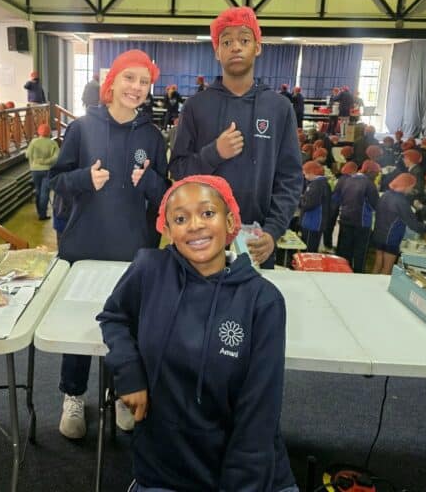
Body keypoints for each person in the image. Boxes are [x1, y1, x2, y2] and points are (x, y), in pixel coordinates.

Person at [98, 175, 294, 492]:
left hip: (240, 471)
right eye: (180, 218)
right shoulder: (149, 269)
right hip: (164, 468)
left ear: (230, 220)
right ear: (168, 229)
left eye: (207, 213)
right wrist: (129, 371)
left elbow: (259, 415)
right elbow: (114, 316)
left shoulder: (263, 301)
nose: (194, 226)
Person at [49, 49, 169, 439]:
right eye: (129, 78)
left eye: (144, 82)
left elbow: (166, 195)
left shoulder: (152, 136)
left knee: (129, 328)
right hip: (84, 244)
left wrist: (148, 182)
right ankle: (73, 394)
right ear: (112, 83)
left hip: (132, 248)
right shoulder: (82, 128)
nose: (136, 88)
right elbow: (57, 181)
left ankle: (122, 393)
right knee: (79, 326)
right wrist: (85, 178)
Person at [169, 6, 303, 269]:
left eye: (244, 39)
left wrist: (273, 231)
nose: (236, 47)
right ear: (217, 51)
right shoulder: (196, 106)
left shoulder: (279, 108)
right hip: (200, 242)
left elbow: (290, 178)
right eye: (227, 42)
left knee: (251, 310)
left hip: (256, 245)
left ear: (258, 47)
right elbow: (178, 170)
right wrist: (214, 153)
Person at [371, 173, 426, 275]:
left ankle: (371, 288)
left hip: (378, 235)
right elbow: (413, 224)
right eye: (411, 187)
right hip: (391, 239)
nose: (411, 189)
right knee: (387, 269)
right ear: (406, 186)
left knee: (377, 265)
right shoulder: (401, 201)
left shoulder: (385, 195)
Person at [335, 160, 380, 273]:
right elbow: (375, 204)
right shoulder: (369, 184)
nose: (377, 176)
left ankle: (342, 272)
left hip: (345, 218)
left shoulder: (348, 179)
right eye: (376, 173)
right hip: (361, 222)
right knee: (359, 252)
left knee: (345, 250)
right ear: (370, 171)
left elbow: (339, 197)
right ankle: (357, 274)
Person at [25, 123, 59, 220]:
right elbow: (56, 157)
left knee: (38, 191)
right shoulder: (53, 143)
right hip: (48, 170)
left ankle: (39, 211)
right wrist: (46, 161)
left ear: (39, 132)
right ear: (49, 132)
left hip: (35, 170)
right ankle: (42, 215)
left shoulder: (34, 142)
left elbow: (27, 155)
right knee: (45, 193)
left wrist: (36, 161)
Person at [300, 160, 331, 252]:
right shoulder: (323, 183)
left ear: (311, 172)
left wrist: (299, 200)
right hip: (315, 222)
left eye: (305, 174)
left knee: (308, 249)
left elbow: (309, 204)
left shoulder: (316, 185)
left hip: (312, 222)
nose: (305, 177)